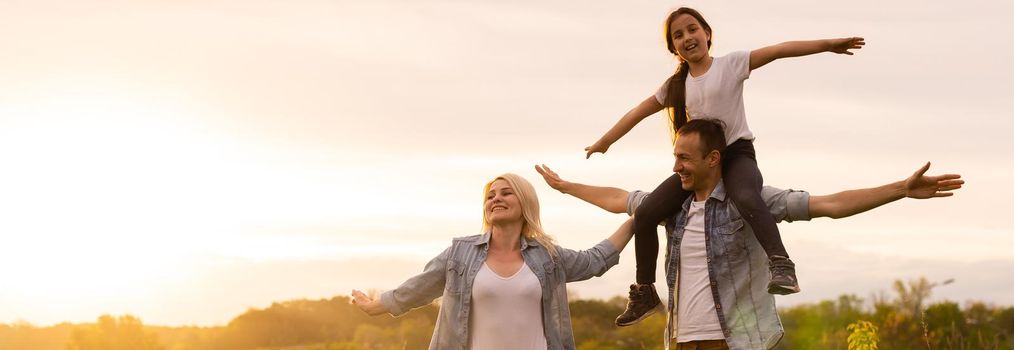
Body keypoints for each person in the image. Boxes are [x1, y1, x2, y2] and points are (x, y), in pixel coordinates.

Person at [539, 119, 963, 349]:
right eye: (674, 158)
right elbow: (619, 198)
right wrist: (566, 186)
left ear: (713, 158)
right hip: (680, 341)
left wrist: (899, 190)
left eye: (684, 159)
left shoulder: (752, 200)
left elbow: (829, 205)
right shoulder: (675, 208)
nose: (676, 167)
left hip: (735, 341)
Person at [584, 6, 867, 325]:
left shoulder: (731, 64)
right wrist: (605, 141)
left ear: (707, 34)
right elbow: (638, 111)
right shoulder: (676, 86)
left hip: (736, 155)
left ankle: (781, 264)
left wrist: (827, 45)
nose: (687, 37)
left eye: (692, 29)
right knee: (647, 213)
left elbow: (777, 51)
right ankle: (646, 291)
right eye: (678, 35)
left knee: (747, 196)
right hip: (701, 164)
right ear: (673, 47)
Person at [350, 173, 635, 350]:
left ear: (525, 202)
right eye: (490, 196)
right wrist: (377, 305)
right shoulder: (459, 254)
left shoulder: (548, 256)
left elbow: (595, 260)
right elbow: (418, 288)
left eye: (506, 192)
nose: (495, 199)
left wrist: (639, 218)